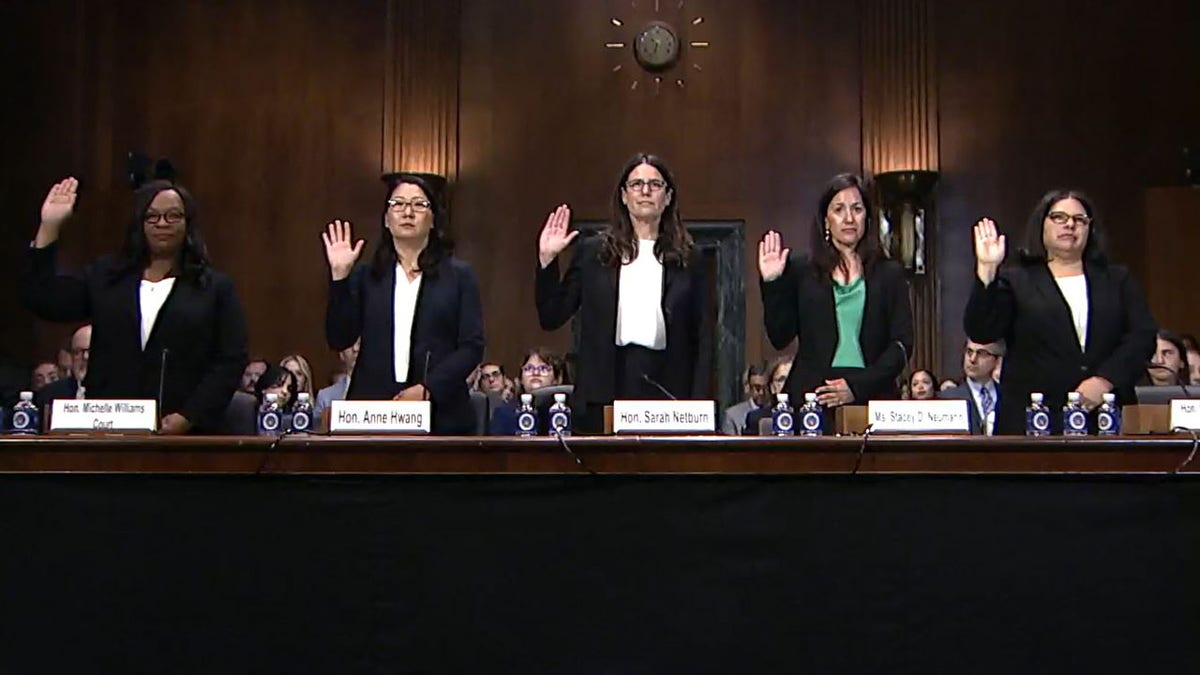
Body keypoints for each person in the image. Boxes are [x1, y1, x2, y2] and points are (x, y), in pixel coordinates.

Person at [22, 177, 248, 434]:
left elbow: (230, 360)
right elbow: (44, 299)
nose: (162, 223)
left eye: (173, 216)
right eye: (152, 217)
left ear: (188, 224)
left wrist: (189, 416)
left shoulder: (213, 288)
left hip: (183, 438)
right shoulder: (107, 278)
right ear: (139, 224)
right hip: (110, 433)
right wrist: (49, 227)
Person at [535, 153, 711, 433]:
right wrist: (547, 262)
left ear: (667, 197)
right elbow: (551, 315)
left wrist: (699, 404)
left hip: (669, 387)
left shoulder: (691, 259)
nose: (644, 191)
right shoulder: (594, 253)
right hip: (605, 383)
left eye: (655, 184)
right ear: (623, 196)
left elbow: (704, 337)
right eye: (636, 184)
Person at [965, 190, 1156, 434]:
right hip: (1034, 422)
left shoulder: (1117, 279)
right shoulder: (1016, 280)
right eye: (1059, 217)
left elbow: (1142, 335)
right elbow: (982, 330)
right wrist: (987, 270)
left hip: (1105, 417)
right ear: (1041, 225)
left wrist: (1105, 380)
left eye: (1079, 219)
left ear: (1090, 229)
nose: (1070, 224)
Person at [323, 173, 484, 434]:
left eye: (419, 204)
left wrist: (428, 388)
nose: (407, 212)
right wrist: (340, 278)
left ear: (433, 220)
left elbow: (472, 347)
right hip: (373, 412)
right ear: (386, 220)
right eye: (397, 204)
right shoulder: (367, 276)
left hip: (441, 414)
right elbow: (339, 338)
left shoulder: (458, 276)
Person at [758, 174, 913, 428]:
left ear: (868, 217)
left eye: (857, 209)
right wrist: (773, 283)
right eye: (839, 209)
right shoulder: (802, 271)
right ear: (826, 220)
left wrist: (856, 387)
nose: (849, 218)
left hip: (873, 395)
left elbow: (902, 345)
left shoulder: (889, 273)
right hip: (812, 397)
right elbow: (779, 336)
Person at [939, 340, 1005, 435]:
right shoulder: (947, 399)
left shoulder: (1010, 398)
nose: (972, 359)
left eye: (981, 353)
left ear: (997, 360)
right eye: (969, 352)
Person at [36, 324, 91, 407]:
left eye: (90, 350)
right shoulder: (51, 394)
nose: (85, 357)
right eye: (77, 352)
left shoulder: (116, 390)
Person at [743, 356, 794, 435]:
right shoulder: (757, 419)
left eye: (791, 379)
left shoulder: (807, 415)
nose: (787, 384)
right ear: (772, 386)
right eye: (781, 380)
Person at [315, 340, 359, 422]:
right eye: (350, 344)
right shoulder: (325, 397)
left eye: (360, 343)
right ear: (341, 354)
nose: (355, 349)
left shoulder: (385, 394)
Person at [722, 362, 769, 435]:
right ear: (749, 387)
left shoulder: (778, 412)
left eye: (765, 388)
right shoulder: (733, 415)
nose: (761, 393)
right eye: (757, 388)